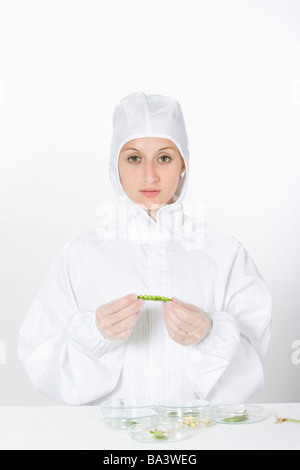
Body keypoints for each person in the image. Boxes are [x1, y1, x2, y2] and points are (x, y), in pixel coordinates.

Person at [18, 92, 272, 405]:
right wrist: (95, 333)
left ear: (183, 165)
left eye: (164, 157)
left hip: (196, 440)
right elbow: (39, 356)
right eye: (134, 158)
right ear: (116, 165)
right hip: (109, 442)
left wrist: (210, 333)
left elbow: (251, 370)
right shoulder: (80, 255)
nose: (149, 175)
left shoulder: (225, 253)